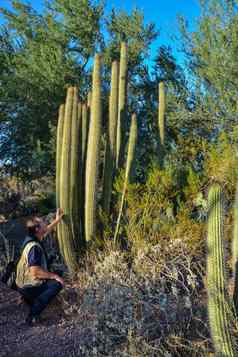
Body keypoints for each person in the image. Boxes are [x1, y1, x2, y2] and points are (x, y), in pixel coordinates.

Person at [16, 208, 64, 326]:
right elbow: (35, 273)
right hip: (27, 285)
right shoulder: (34, 247)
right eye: (42, 222)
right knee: (57, 283)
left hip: (22, 282)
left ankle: (29, 299)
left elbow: (46, 230)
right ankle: (32, 315)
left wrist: (57, 220)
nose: (45, 223)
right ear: (37, 229)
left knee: (58, 273)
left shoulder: (32, 237)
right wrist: (55, 277)